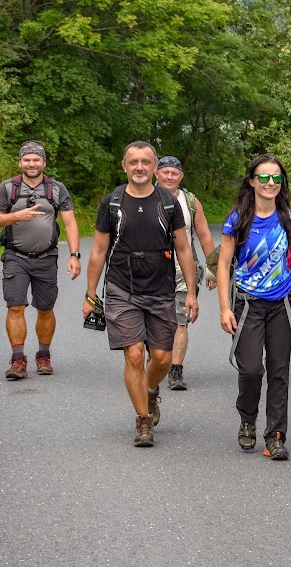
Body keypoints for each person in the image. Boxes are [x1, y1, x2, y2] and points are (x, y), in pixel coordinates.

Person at [82, 141, 198, 448]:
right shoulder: (112, 203)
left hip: (161, 289)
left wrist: (191, 292)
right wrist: (90, 295)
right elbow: (99, 250)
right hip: (122, 288)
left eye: (146, 162)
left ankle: (150, 390)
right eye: (133, 162)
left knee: (161, 357)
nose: (139, 167)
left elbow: (183, 248)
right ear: (124, 166)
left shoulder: (168, 203)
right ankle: (143, 420)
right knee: (134, 354)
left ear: (155, 168)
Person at [217, 154, 291, 461]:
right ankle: (247, 418)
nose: (270, 183)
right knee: (250, 369)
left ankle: (275, 435)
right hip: (247, 304)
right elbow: (223, 264)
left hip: (282, 303)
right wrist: (224, 308)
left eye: (276, 178)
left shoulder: (289, 217)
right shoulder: (238, 219)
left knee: (279, 370)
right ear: (252, 181)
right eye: (264, 177)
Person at [0, 140, 81, 380]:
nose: (31, 164)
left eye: (36, 159)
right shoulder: (8, 188)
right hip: (15, 256)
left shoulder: (56, 189)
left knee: (46, 309)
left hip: (46, 257)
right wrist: (17, 215)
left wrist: (74, 255)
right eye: (27, 159)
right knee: (15, 306)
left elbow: (70, 223)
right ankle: (18, 359)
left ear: (44, 163)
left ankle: (43, 356)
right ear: (20, 162)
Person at [154, 155, 217, 390]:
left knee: (181, 321)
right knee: (155, 320)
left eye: (174, 173)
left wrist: (213, 269)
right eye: (165, 172)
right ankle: (156, 358)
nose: (170, 177)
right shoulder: (144, 196)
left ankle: (175, 371)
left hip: (184, 270)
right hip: (151, 272)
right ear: (156, 174)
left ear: (181, 176)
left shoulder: (190, 201)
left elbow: (204, 235)